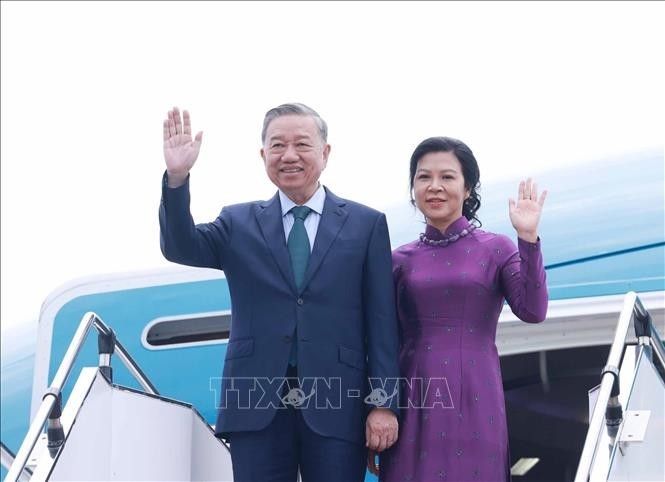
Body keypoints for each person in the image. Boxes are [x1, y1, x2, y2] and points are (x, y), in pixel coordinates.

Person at [159, 103, 400, 482]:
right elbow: (180, 246)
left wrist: (383, 404)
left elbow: (382, 322)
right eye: (277, 146)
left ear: (325, 152)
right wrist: (177, 177)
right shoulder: (237, 222)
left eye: (302, 144)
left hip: (338, 403)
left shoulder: (366, 224)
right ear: (263, 155)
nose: (289, 155)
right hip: (256, 404)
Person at [370, 137, 548, 482]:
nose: (435, 187)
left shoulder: (496, 248)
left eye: (447, 177)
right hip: (411, 399)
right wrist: (378, 408)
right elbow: (380, 344)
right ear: (413, 189)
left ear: (468, 190)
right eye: (424, 178)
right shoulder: (396, 260)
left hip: (476, 394)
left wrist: (528, 239)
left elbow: (533, 310)